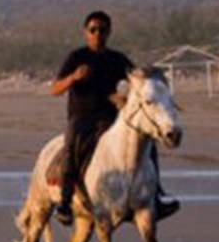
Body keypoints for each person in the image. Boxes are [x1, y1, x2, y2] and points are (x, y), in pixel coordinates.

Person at [51, 11, 179, 226]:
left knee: (149, 143)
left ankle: (156, 196)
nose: (97, 34)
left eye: (102, 30)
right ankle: (64, 203)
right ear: (86, 32)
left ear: (109, 32)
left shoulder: (117, 59)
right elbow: (54, 89)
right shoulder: (76, 57)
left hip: (113, 116)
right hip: (82, 117)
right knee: (71, 146)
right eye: (93, 30)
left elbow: (136, 82)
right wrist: (73, 77)